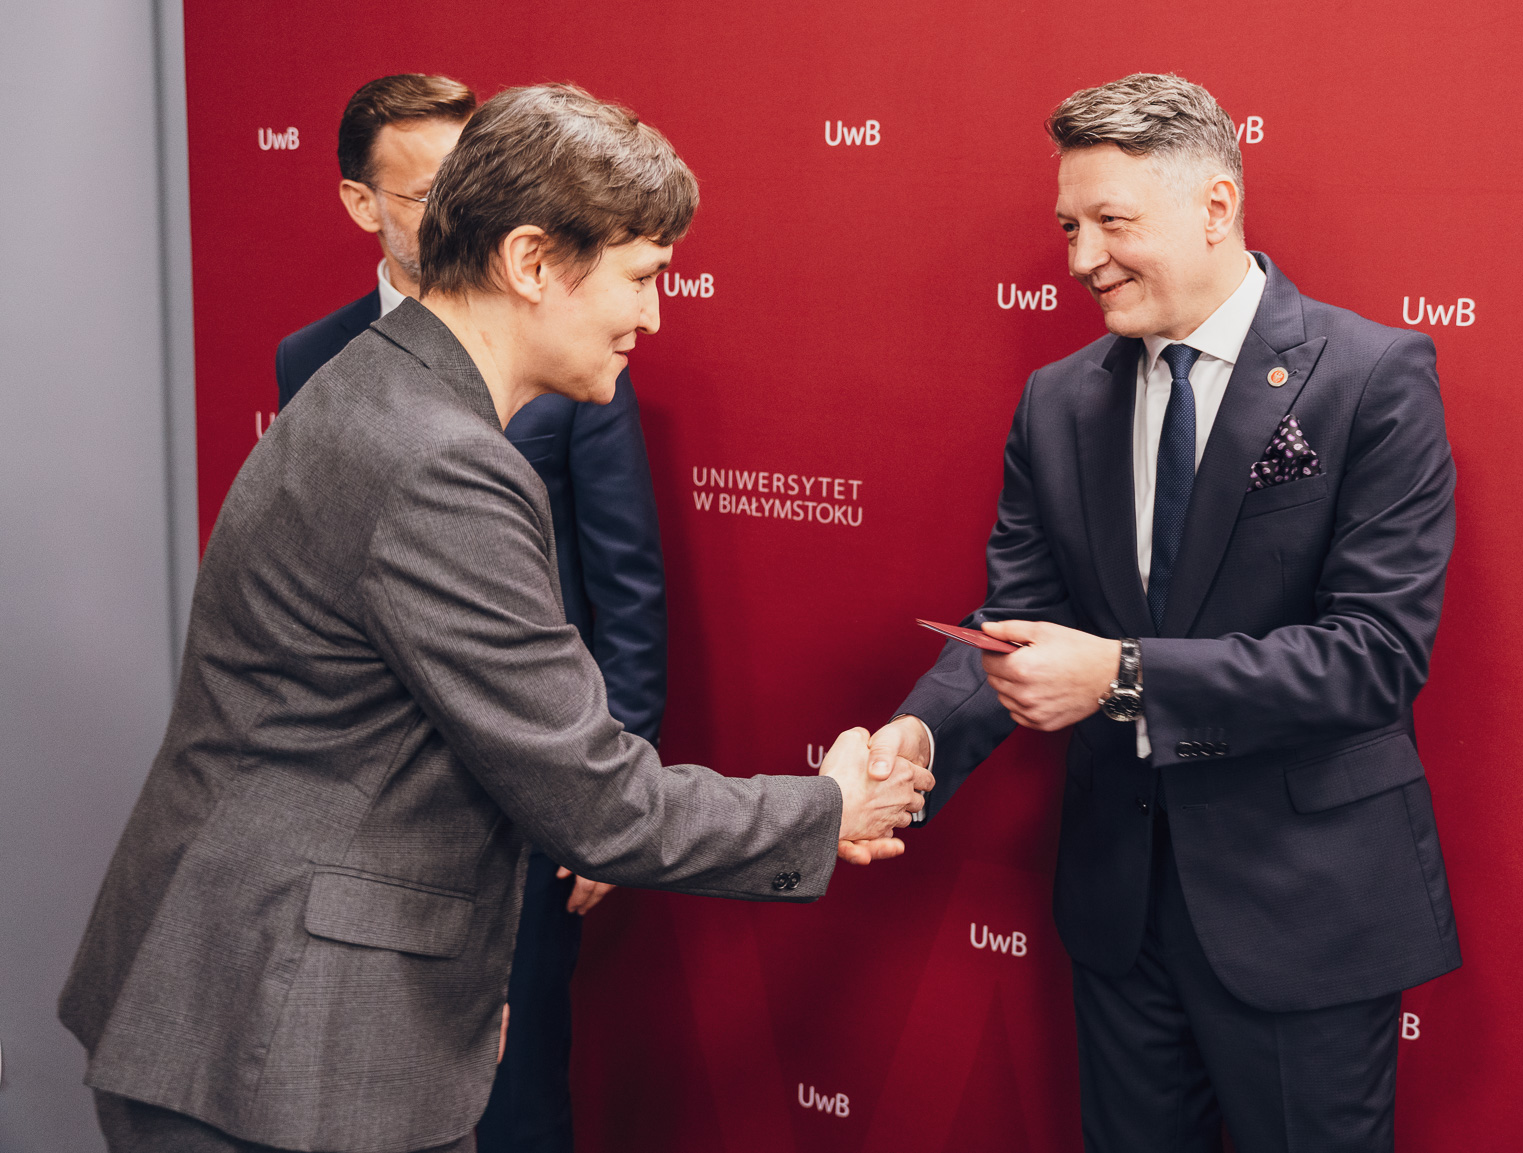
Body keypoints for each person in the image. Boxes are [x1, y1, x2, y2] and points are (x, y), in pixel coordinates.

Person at [59, 84, 931, 1153]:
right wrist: (829, 807)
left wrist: (445, 999)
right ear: (529, 262)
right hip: (280, 1036)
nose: (655, 315)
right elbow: (598, 802)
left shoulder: (382, 389)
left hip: (263, 994)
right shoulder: (442, 464)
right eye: (642, 277)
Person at [862, 73, 1460, 1151]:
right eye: (1069, 226)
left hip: (1304, 911)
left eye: (1111, 222)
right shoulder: (1058, 400)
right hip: (1119, 911)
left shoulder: (1372, 375)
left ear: (1217, 207)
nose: (1081, 257)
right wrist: (919, 736)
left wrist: (1120, 675)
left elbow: (1374, 655)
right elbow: (1018, 614)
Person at [275, 73, 668, 1153]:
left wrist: (608, 790)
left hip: (531, 798)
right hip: (378, 846)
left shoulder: (578, 369)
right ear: (363, 202)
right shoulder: (361, 390)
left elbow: (626, 587)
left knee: (516, 1095)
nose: (649, 316)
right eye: (436, 189)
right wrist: (822, 809)